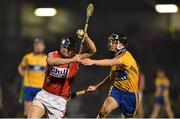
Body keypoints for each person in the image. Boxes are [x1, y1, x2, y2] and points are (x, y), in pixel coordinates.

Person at [28, 29, 96, 118]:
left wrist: (86, 37)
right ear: (62, 47)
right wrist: (72, 60)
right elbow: (52, 62)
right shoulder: (52, 55)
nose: (70, 51)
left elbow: (93, 50)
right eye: (68, 49)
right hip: (44, 95)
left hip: (59, 101)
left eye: (72, 50)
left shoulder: (76, 57)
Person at [81, 33, 139, 118]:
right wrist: (97, 87)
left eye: (114, 42)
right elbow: (111, 78)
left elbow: (110, 62)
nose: (111, 44)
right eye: (110, 42)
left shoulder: (126, 56)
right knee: (103, 112)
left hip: (130, 95)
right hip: (117, 91)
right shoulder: (116, 57)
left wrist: (93, 62)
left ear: (121, 44)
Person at [18, 38, 47, 117]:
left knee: (39, 113)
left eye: (40, 45)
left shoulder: (47, 59)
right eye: (37, 45)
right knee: (27, 112)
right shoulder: (28, 57)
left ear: (43, 47)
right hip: (29, 87)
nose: (38, 47)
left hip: (41, 89)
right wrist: (23, 74)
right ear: (34, 46)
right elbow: (21, 67)